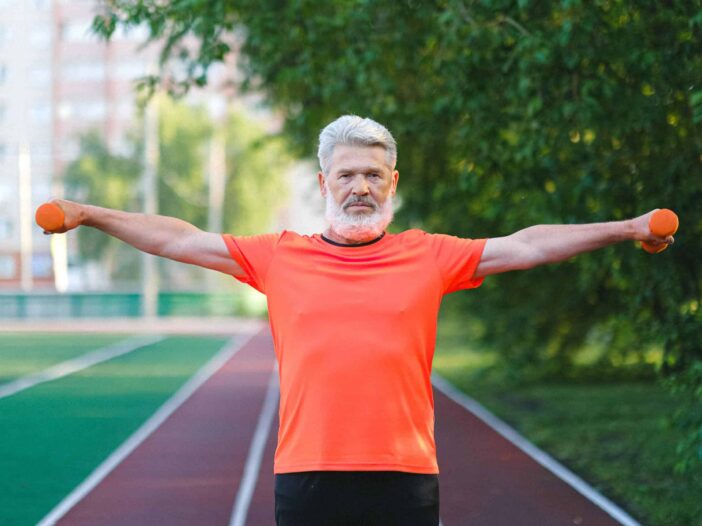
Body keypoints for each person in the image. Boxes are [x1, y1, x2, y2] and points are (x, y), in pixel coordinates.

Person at [45, 115, 673, 526]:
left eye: (373, 175)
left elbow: (528, 244)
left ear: (392, 182)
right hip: (308, 475)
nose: (360, 188)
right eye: (347, 175)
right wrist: (90, 213)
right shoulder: (277, 256)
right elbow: (178, 239)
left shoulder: (430, 254)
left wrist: (628, 229)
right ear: (325, 181)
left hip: (404, 475)